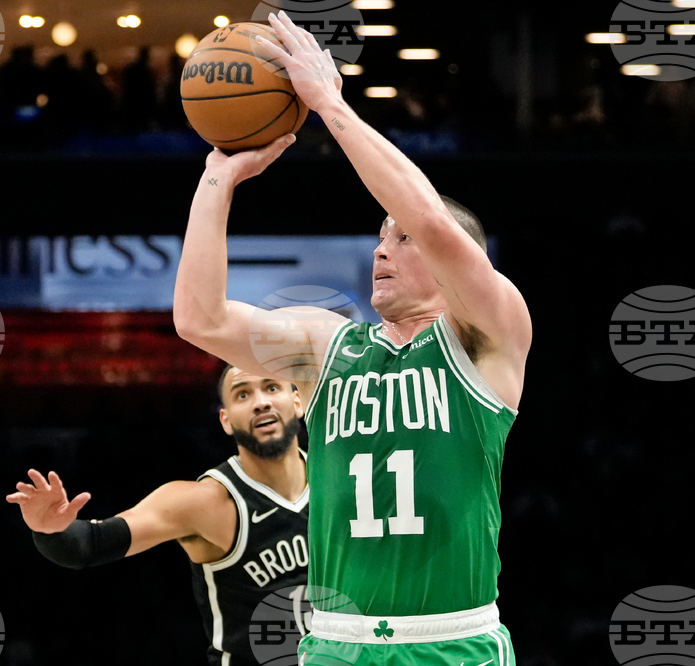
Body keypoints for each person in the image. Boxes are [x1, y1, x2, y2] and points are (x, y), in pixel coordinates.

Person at [173, 11, 531, 666]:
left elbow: (432, 219)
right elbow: (200, 320)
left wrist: (329, 103)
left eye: (400, 239)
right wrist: (217, 180)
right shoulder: (329, 346)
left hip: (453, 642)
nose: (381, 250)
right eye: (378, 237)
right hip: (338, 645)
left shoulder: (490, 333)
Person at [6, 366, 310, 666]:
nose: (261, 402)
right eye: (242, 394)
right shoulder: (204, 501)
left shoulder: (345, 481)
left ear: (297, 401)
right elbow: (86, 544)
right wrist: (48, 528)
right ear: (226, 420)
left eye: (271, 387)